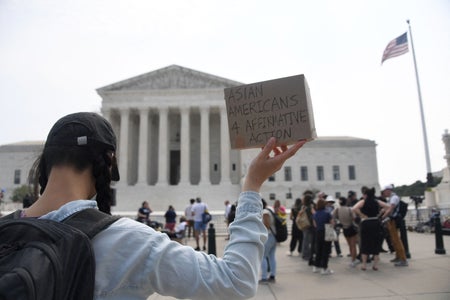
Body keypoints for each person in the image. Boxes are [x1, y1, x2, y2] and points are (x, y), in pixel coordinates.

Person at [11, 112, 306, 299]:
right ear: (109, 162)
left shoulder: (6, 232)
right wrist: (252, 185)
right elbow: (236, 282)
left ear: (45, 161)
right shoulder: (126, 243)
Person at [352, 187, 391, 271]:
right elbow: (389, 207)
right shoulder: (377, 201)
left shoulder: (363, 201)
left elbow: (354, 208)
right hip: (376, 222)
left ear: (366, 195)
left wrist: (362, 215)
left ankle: (364, 265)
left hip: (366, 222)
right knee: (376, 243)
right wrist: (382, 214)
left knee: (365, 244)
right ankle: (375, 265)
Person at [381, 184, 409, 267]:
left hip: (394, 221)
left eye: (385, 191)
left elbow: (390, 208)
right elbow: (387, 207)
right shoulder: (391, 198)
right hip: (391, 221)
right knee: (393, 240)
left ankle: (403, 259)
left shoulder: (394, 198)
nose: (384, 193)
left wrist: (383, 216)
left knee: (396, 240)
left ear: (389, 190)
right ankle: (398, 256)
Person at [334, 196, 359, 267]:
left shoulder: (337, 210)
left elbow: (334, 217)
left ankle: (352, 259)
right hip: (351, 228)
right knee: (353, 245)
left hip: (344, 229)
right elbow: (354, 218)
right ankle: (354, 260)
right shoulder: (349, 209)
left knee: (349, 245)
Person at [312, 198, 334, 275]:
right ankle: (324, 268)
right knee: (326, 251)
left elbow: (314, 224)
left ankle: (316, 266)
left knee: (318, 250)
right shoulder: (327, 213)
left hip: (318, 232)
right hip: (327, 231)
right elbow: (332, 223)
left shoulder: (315, 214)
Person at [259, 199, 277, 284]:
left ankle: (264, 277)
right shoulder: (270, 210)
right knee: (271, 256)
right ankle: (272, 276)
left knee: (263, 256)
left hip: (268, 236)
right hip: (273, 236)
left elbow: (266, 225)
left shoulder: (265, 212)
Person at [300, 193, 315, 262]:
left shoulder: (304, 207)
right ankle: (307, 254)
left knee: (305, 240)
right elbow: (313, 215)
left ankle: (305, 254)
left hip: (305, 225)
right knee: (308, 241)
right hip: (309, 225)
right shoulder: (310, 207)